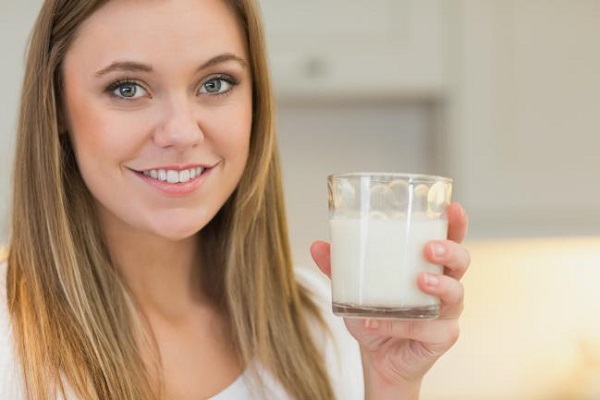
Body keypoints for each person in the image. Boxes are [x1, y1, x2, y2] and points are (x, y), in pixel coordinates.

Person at [0, 0, 471, 399]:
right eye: (127, 88)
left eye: (215, 83)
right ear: (56, 105)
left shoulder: (331, 324)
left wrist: (389, 385)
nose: (182, 132)